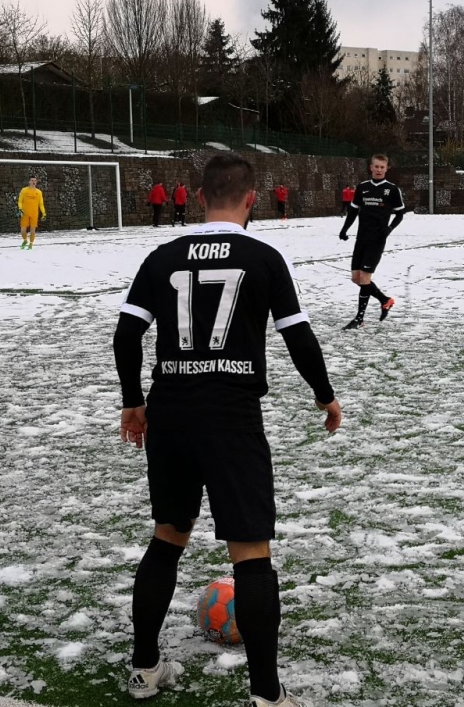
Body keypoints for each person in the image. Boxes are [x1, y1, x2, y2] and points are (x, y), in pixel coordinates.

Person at [114, 153, 341, 707]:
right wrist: (325, 394)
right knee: (251, 552)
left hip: (171, 415)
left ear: (197, 197)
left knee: (167, 538)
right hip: (231, 417)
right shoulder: (263, 257)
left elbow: (125, 336)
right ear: (251, 199)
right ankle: (267, 695)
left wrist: (133, 402)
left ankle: (144, 669)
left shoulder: (162, 256)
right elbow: (297, 336)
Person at [338, 154, 406, 329]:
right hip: (361, 238)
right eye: (376, 166)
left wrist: (389, 229)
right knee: (356, 278)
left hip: (377, 240)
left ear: (387, 168)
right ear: (371, 167)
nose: (379, 170)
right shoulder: (362, 187)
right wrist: (344, 229)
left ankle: (359, 319)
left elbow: (400, 214)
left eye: (382, 167)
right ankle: (385, 300)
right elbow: (353, 211)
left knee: (365, 278)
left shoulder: (392, 189)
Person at [17, 176, 46, 250]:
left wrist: (44, 213)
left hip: (34, 213)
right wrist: (20, 209)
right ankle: (25, 240)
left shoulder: (39, 192)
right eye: (32, 180)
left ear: (36, 182)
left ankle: (31, 244)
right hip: (25, 213)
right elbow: (20, 201)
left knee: (32, 230)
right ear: (29, 182)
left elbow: (41, 204)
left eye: (35, 180)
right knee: (23, 230)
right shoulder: (24, 190)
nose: (33, 182)